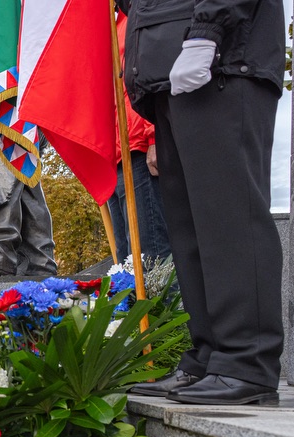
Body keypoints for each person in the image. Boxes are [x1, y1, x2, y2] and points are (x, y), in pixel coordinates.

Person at [122, 0, 284, 405]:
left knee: (229, 220)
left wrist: (206, 32)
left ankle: (246, 362)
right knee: (190, 232)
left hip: (222, 61)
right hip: (169, 76)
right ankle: (209, 356)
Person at [105, 10, 172, 264]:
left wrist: (154, 137)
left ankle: (161, 307)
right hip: (115, 156)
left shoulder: (138, 16)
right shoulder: (114, 25)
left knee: (151, 258)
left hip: (139, 151)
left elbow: (150, 79)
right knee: (126, 266)